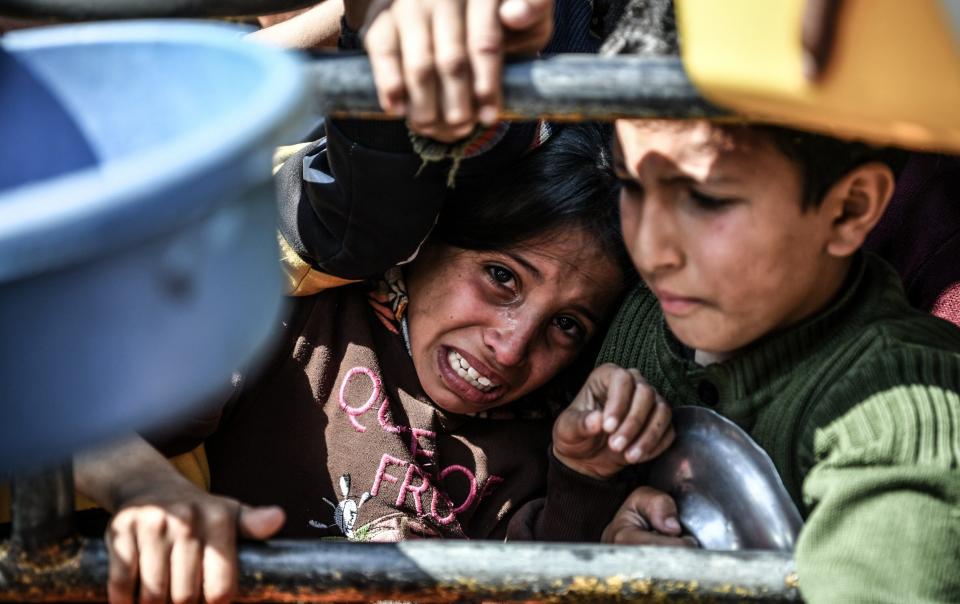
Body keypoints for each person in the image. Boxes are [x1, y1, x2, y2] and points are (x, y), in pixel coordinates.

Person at [74, 123, 674, 604]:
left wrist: (586, 476)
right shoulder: (300, 326)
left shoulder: (552, 438)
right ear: (429, 237)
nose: (512, 348)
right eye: (501, 277)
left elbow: (545, 582)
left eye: (567, 325)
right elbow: (71, 423)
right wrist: (147, 488)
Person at [599, 119, 960, 602]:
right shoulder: (648, 315)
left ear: (848, 209)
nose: (650, 249)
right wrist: (585, 488)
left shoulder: (900, 412)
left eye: (706, 199)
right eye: (630, 184)